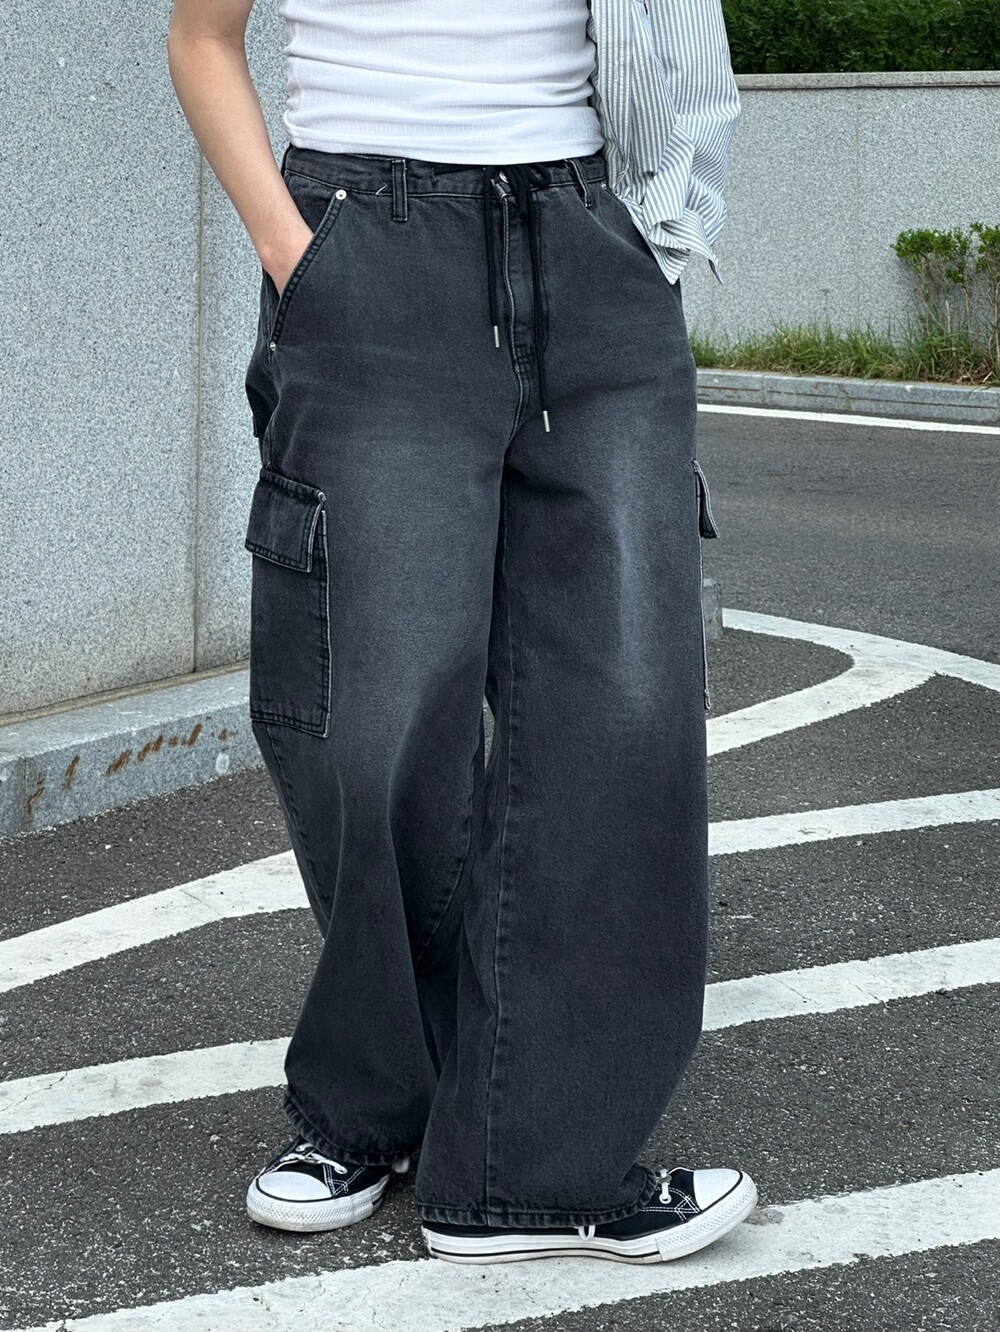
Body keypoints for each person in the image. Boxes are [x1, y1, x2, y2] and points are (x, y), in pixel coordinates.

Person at [167, 0, 757, 1264]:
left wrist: (654, 235)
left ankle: (533, 1168)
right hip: (366, 244)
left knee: (621, 716)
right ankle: (377, 1100)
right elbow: (202, 36)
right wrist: (294, 251)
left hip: (591, 240)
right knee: (371, 716)